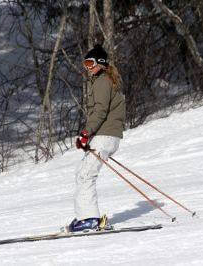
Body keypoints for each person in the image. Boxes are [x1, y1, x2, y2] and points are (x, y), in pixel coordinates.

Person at [67, 44, 126, 232]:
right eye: (85, 64)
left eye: (90, 63)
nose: (88, 67)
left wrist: (86, 133)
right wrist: (89, 137)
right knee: (82, 173)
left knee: (86, 175)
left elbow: (100, 111)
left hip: (105, 135)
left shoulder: (102, 81)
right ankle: (84, 216)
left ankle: (90, 219)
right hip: (105, 135)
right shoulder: (105, 80)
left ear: (100, 62)